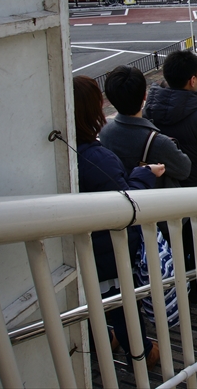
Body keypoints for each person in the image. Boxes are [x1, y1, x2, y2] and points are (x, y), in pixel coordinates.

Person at [73, 75, 164, 369]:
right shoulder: (97, 158)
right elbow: (126, 205)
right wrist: (146, 175)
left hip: (79, 249)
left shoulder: (64, 154)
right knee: (121, 301)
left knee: (94, 301)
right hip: (108, 250)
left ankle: (103, 339)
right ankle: (141, 352)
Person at [143, 50, 197, 301]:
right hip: (195, 195)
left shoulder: (149, 110)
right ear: (192, 79)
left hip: (159, 193)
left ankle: (172, 288)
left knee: (168, 243)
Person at [99, 66, 191, 188]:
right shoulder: (158, 142)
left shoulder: (104, 130)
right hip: (155, 202)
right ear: (144, 96)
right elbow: (185, 170)